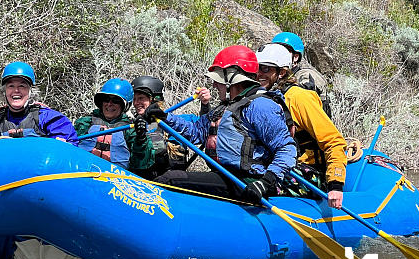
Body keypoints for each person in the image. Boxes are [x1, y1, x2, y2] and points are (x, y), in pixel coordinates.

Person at [146, 45, 297, 203]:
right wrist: (164, 117)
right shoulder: (225, 107)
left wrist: (266, 181)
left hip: (249, 182)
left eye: (217, 80)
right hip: (225, 176)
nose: (214, 85)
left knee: (171, 179)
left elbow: (286, 149)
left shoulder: (260, 106)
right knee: (172, 176)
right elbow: (196, 131)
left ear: (232, 78)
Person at [255, 43, 347, 209]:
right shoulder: (260, 98)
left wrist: (335, 185)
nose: (259, 74)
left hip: (306, 173)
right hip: (276, 166)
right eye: (257, 68)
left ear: (282, 72)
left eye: (265, 69)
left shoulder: (298, 98)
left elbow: (334, 142)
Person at [0, 61, 78, 145]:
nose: (16, 90)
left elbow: (70, 149)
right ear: (4, 92)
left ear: (31, 92)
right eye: (11, 86)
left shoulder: (50, 119)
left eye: (22, 86)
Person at [130, 75, 211, 178]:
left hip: (175, 185)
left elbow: (205, 131)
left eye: (141, 98)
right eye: (134, 99)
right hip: (144, 184)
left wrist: (205, 104)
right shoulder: (131, 127)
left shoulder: (182, 121)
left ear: (154, 99)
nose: (136, 103)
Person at [75, 78, 155, 172]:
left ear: (124, 106)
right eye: (106, 99)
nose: (109, 104)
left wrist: (141, 139)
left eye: (116, 101)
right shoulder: (85, 123)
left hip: (114, 178)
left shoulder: (130, 129)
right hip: (81, 172)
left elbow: (141, 164)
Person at [272, 32, 332, 116]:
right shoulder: (276, 75)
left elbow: (302, 98)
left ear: (296, 57)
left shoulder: (307, 75)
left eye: (283, 52)